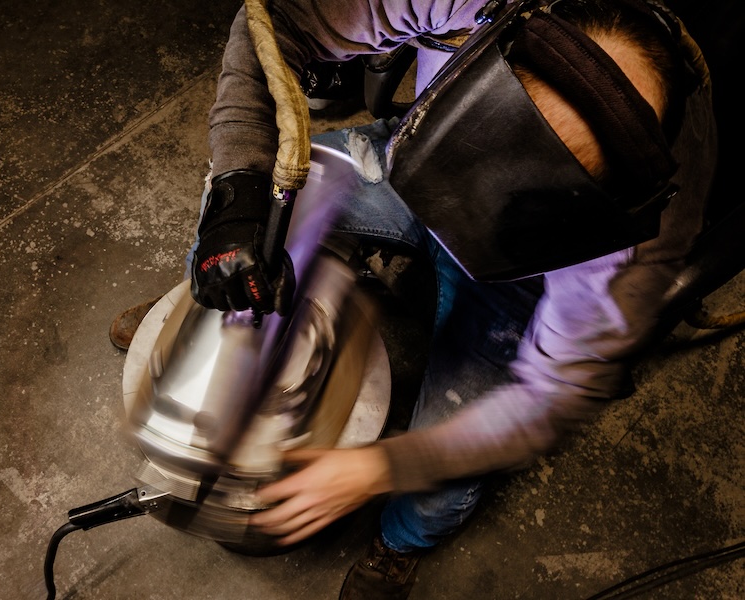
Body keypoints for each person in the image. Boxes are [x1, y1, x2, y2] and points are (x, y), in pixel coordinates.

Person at [111, 1, 717, 598]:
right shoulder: (462, 0)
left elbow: (548, 398)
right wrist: (239, 186)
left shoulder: (634, 246)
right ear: (483, 49)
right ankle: (209, 300)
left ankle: (400, 545)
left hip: (525, 279)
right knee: (261, 210)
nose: (465, 212)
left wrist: (384, 467)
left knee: (452, 455)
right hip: (413, 159)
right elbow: (271, 24)